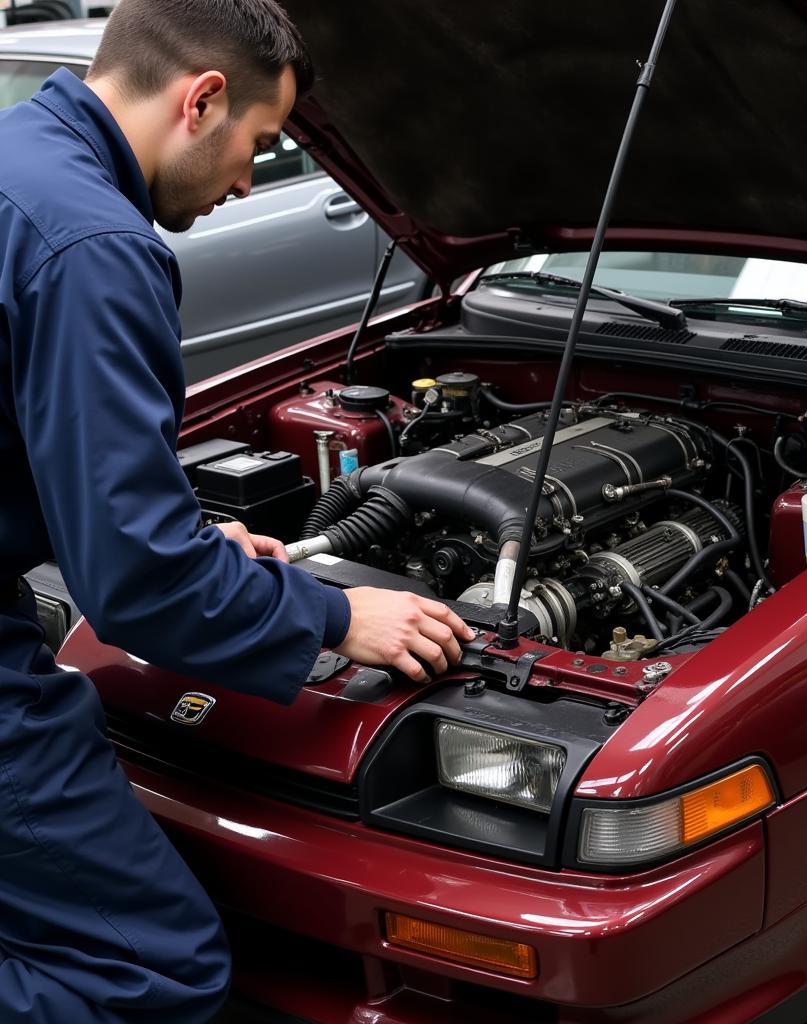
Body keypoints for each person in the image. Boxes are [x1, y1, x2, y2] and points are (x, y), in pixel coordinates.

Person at [0, 1, 474, 1020]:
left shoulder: (17, 160)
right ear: (202, 99)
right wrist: (340, 614)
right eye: (259, 145)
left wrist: (184, 531)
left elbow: (40, 441)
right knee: (149, 972)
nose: (251, 181)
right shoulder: (93, 245)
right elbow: (137, 585)